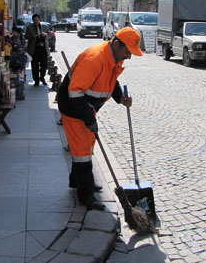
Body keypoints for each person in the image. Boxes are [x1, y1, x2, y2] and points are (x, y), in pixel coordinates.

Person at [57, 27, 143, 210]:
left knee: (87, 144)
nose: (129, 56)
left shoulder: (112, 56)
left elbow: (111, 80)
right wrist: (89, 120)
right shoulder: (95, 58)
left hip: (86, 105)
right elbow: (75, 92)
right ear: (117, 44)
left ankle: (77, 181)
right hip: (73, 107)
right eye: (127, 51)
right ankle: (86, 195)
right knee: (82, 151)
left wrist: (120, 98)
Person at [25, 14, 50, 86]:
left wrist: (45, 35)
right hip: (34, 49)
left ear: (39, 20)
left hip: (43, 49)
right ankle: (36, 80)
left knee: (44, 65)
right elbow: (26, 36)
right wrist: (31, 36)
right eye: (34, 20)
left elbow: (49, 35)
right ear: (32, 20)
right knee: (34, 66)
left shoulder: (45, 26)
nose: (36, 21)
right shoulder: (29, 27)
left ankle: (42, 77)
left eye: (37, 20)